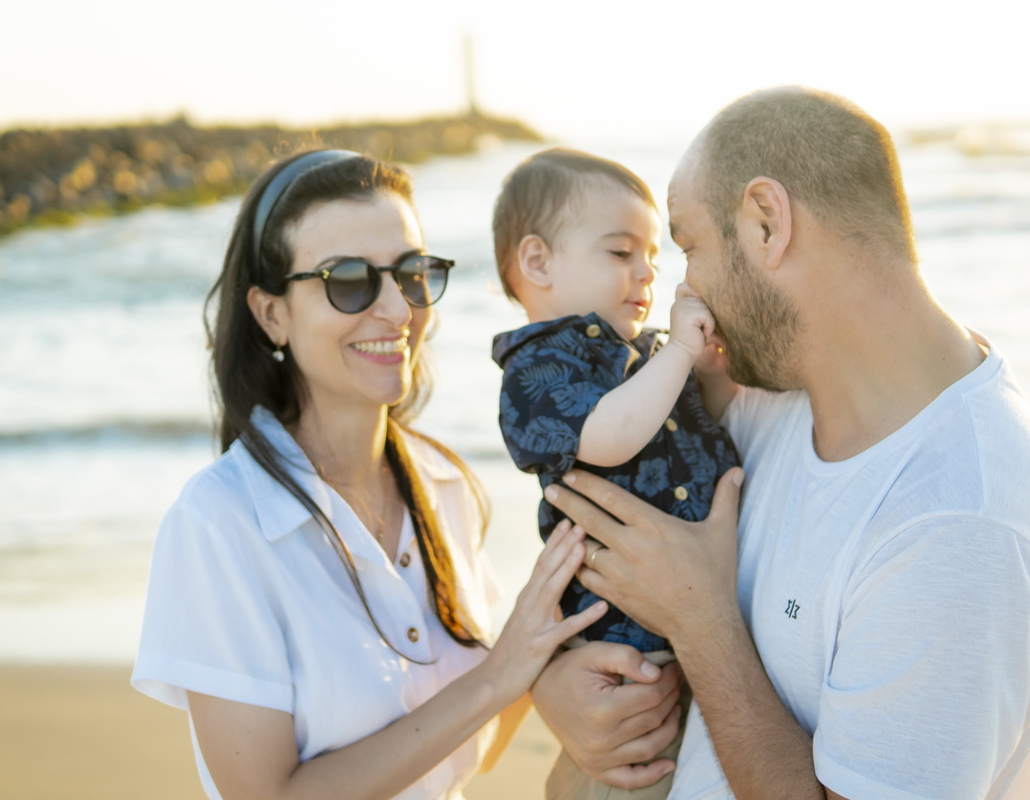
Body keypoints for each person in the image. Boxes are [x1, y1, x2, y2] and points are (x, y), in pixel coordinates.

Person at [531, 87, 1030, 799]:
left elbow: (687, 598)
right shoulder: (770, 393)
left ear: (766, 222)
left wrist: (702, 623)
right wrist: (554, 684)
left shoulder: (956, 520)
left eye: (689, 247)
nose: (684, 288)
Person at [130, 149, 609, 800]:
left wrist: (550, 659)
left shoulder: (445, 486)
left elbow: (465, 752)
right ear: (271, 314)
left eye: (411, 273)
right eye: (349, 281)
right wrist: (500, 676)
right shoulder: (220, 524)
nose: (397, 310)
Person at [489, 148, 740, 799]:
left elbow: (696, 421)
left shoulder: (641, 354)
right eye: (621, 251)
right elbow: (610, 435)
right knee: (632, 776)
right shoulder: (538, 369)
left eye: (652, 255)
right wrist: (679, 354)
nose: (647, 271)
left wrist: (709, 371)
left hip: (689, 625)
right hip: (624, 650)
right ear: (537, 262)